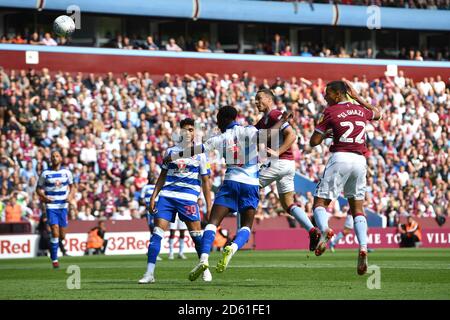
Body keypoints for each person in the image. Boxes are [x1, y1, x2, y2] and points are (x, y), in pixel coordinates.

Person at [165, 106, 290, 281]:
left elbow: (196, 150)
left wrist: (174, 156)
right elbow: (267, 135)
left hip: (231, 182)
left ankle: (204, 258)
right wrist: (283, 121)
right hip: (251, 183)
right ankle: (232, 248)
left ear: (224, 119)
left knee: (212, 222)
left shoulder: (220, 138)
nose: (217, 123)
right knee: (246, 226)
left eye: (218, 119)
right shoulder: (249, 130)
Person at [309, 80, 382, 275]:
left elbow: (313, 141)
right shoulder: (360, 109)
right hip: (360, 161)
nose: (325, 97)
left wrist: (327, 135)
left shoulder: (331, 112)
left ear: (338, 94)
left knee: (319, 203)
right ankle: (364, 247)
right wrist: (358, 98)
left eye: (328, 94)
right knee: (357, 209)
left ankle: (324, 230)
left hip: (340, 158)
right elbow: (378, 113)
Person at [138, 118, 212, 284]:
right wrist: (153, 196)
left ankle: (204, 267)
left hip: (188, 199)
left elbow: (206, 181)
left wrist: (209, 204)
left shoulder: (200, 154)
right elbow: (162, 176)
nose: (188, 132)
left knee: (196, 237)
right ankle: (149, 273)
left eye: (191, 129)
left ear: (195, 132)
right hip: (167, 196)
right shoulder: (170, 152)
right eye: (185, 129)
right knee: (157, 233)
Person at [254, 89, 321, 251]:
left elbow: (292, 135)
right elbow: (258, 140)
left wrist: (277, 152)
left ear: (269, 100)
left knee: (247, 186)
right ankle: (312, 230)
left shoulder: (274, 114)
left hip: (279, 163)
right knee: (288, 204)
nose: (256, 102)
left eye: (259, 99)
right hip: (287, 166)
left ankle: (238, 236)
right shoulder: (263, 121)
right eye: (255, 100)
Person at [36, 150, 75, 268]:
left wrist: (70, 196)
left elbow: (72, 187)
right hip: (51, 206)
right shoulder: (45, 173)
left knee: (62, 235)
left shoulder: (67, 172)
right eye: (53, 156)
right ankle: (54, 259)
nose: (54, 158)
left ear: (61, 159)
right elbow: (38, 189)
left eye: (57, 156)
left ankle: (55, 250)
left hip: (63, 206)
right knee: (55, 230)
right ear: (50, 159)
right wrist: (44, 197)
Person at [140, 181, 162, 261]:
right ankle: (152, 252)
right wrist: (148, 205)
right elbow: (141, 199)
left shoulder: (159, 185)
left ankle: (151, 251)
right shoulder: (145, 187)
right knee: (153, 230)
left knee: (156, 230)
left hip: (158, 209)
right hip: (150, 210)